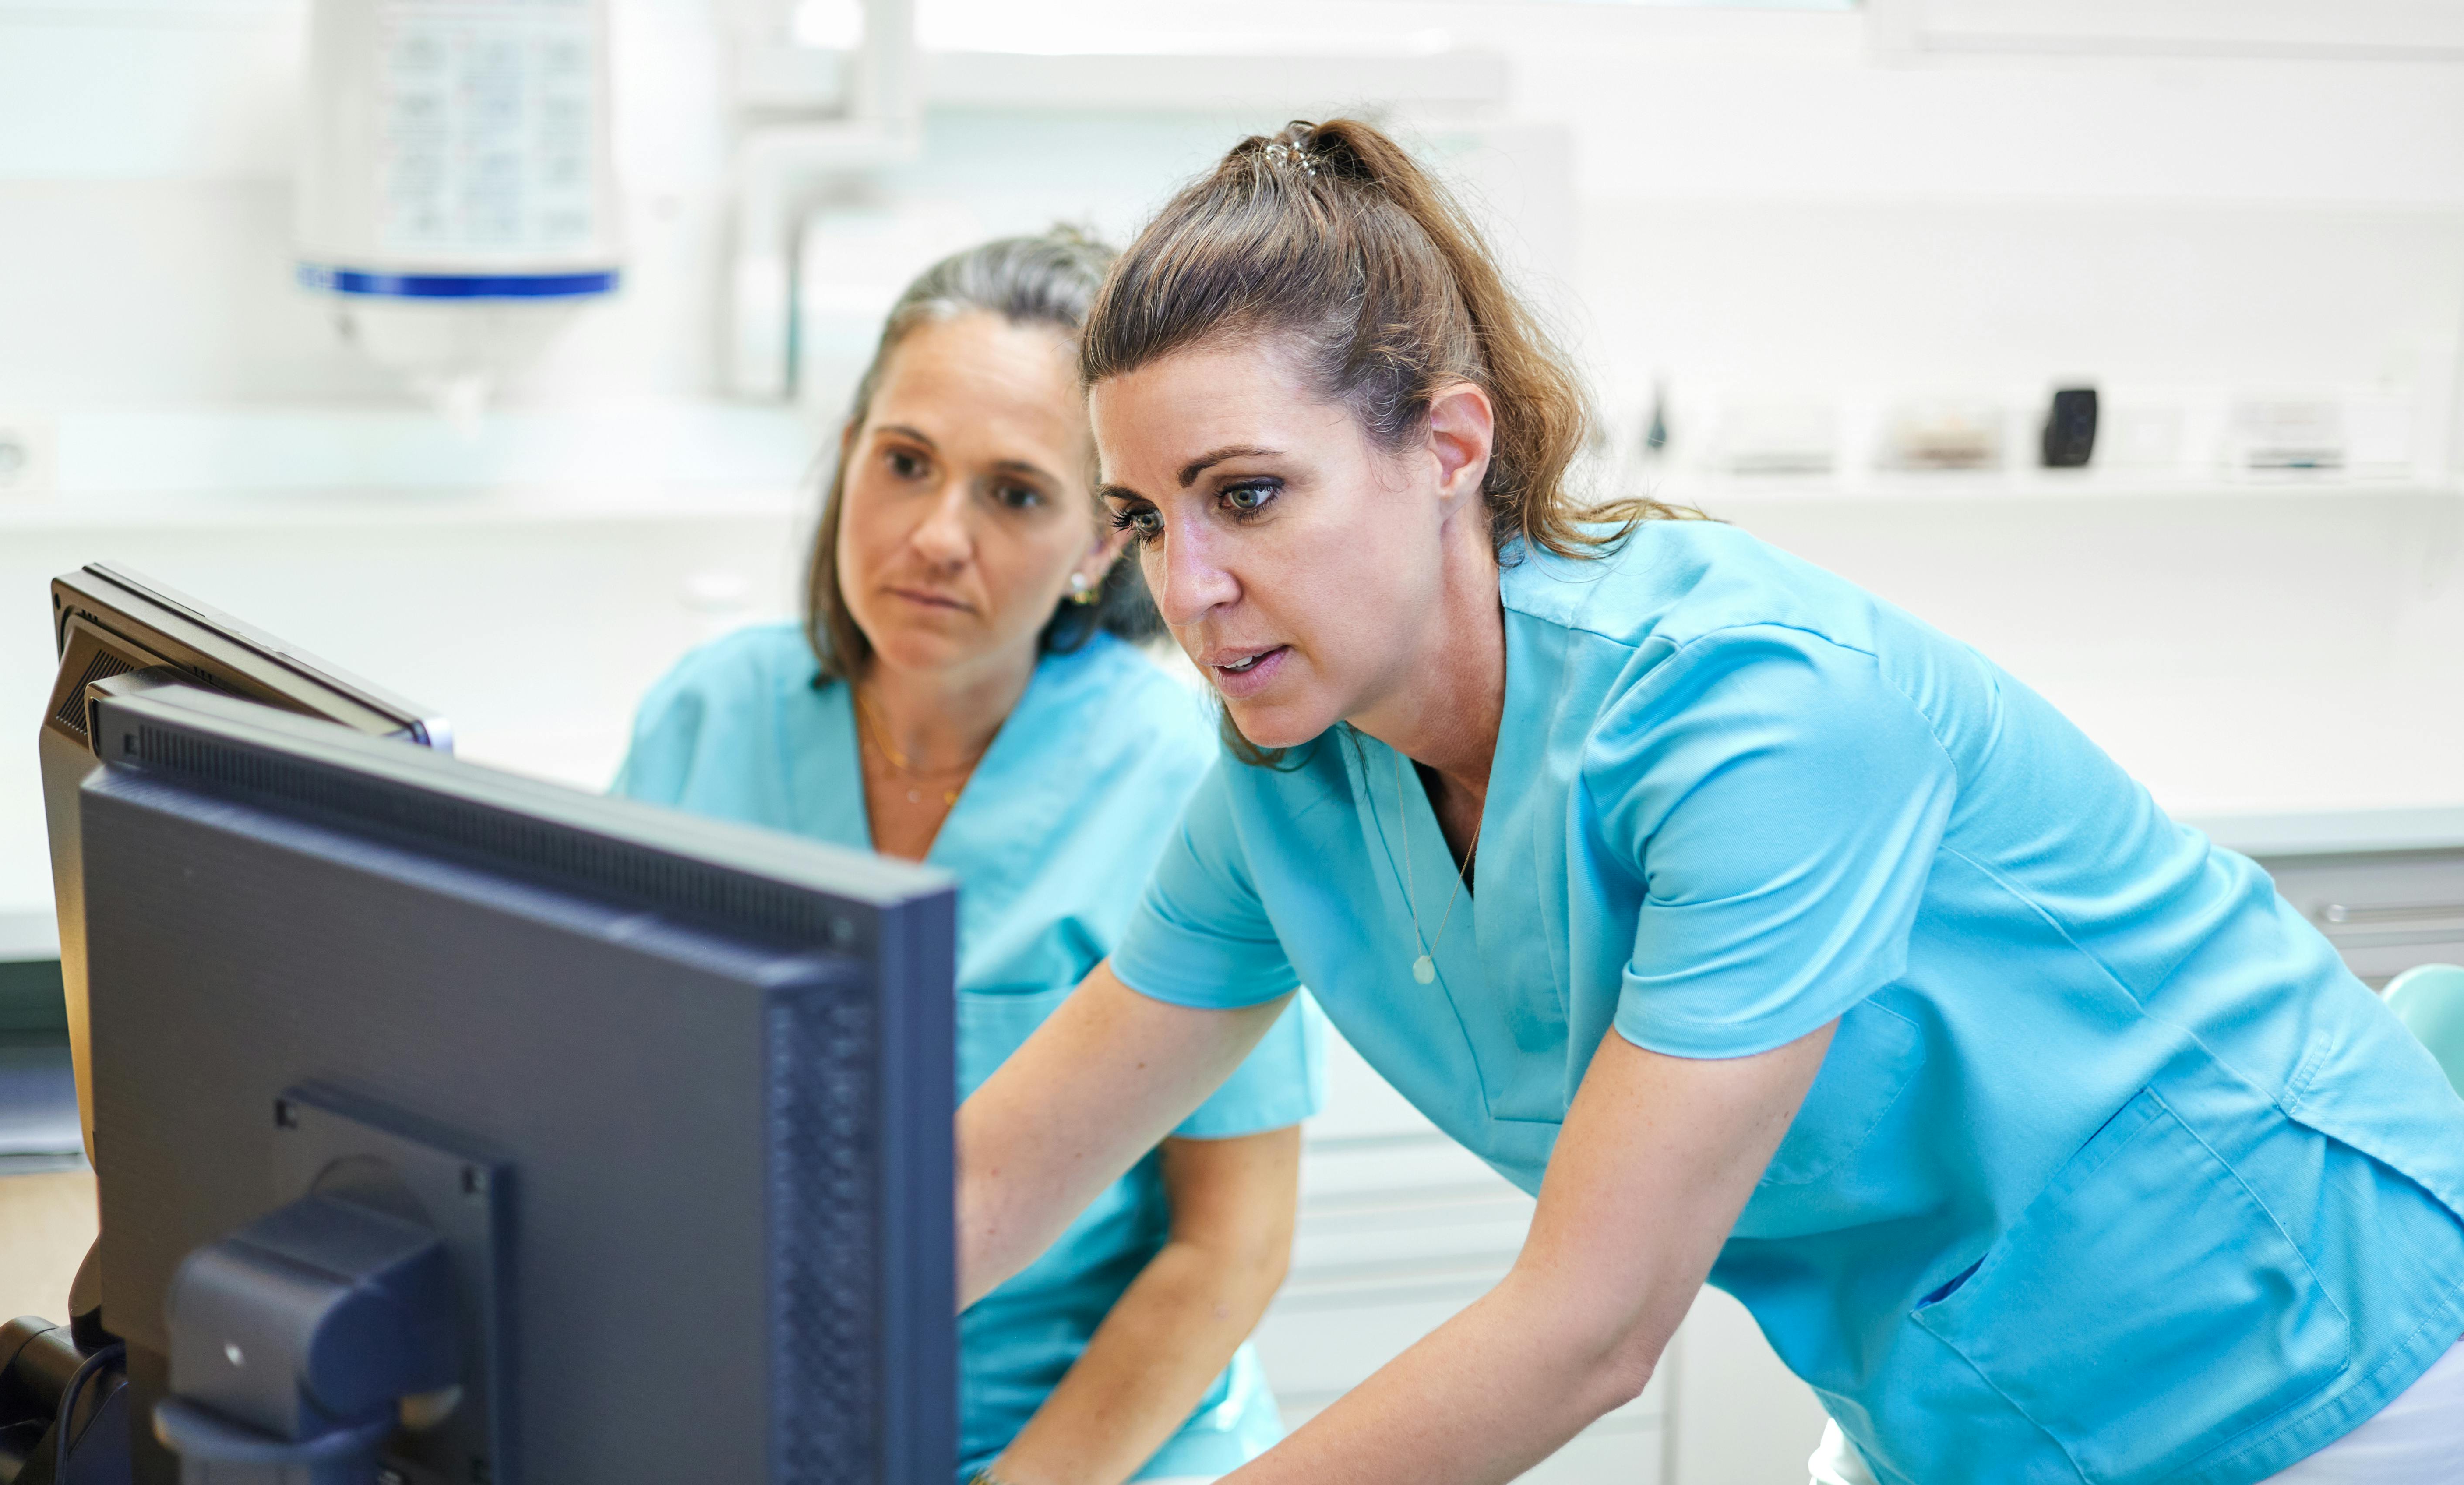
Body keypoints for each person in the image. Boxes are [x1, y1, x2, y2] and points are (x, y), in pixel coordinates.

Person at [955, 121, 2464, 1485]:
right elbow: (987, 1182)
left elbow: (1591, 1330)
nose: (1189, 589)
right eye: (1144, 518)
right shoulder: (1291, 783)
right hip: (1962, 1414)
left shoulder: (1754, 712)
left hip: (2316, 1344)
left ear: (1450, 447)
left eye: (1248, 495)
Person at [615, 230, 1326, 1485]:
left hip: (1082, 1444)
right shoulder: (708, 718)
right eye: (906, 464)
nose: (940, 536)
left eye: (1015, 494)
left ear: (1101, 544)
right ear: (850, 461)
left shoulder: (1184, 782)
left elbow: (1232, 1243)